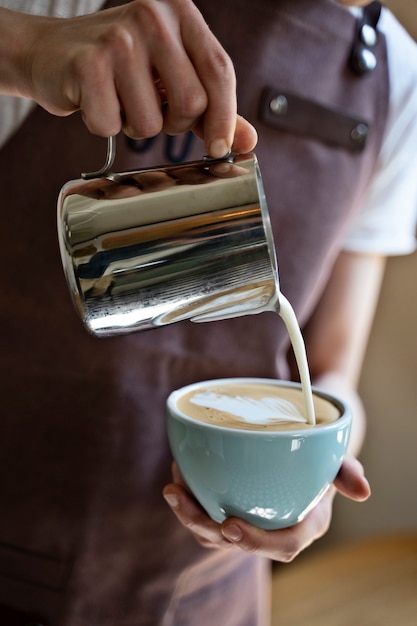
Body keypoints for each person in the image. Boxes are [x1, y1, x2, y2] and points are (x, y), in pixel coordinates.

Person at [0, 1, 416, 625]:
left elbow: (331, 372)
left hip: (204, 595)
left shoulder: (398, 80)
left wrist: (320, 470)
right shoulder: (74, 7)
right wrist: (26, 47)